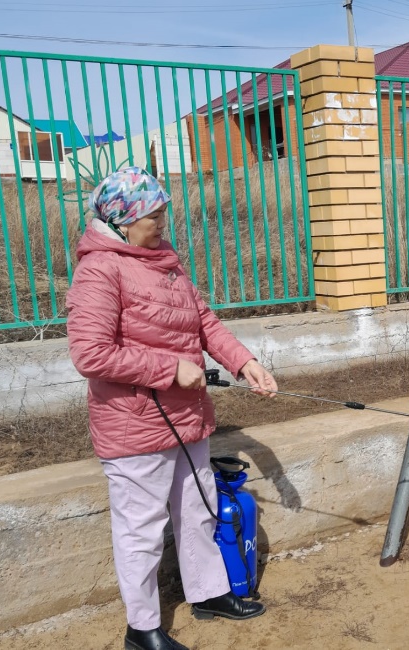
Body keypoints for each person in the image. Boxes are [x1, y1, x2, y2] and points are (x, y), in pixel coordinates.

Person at [66, 166, 278, 650]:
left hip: (186, 418)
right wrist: (169, 369)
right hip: (134, 425)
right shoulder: (100, 269)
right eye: (153, 215)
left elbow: (204, 323)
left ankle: (209, 593)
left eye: (163, 213)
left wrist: (244, 363)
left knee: (198, 509)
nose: (162, 223)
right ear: (123, 220)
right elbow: (90, 354)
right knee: (141, 531)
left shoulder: (165, 262)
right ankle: (142, 628)